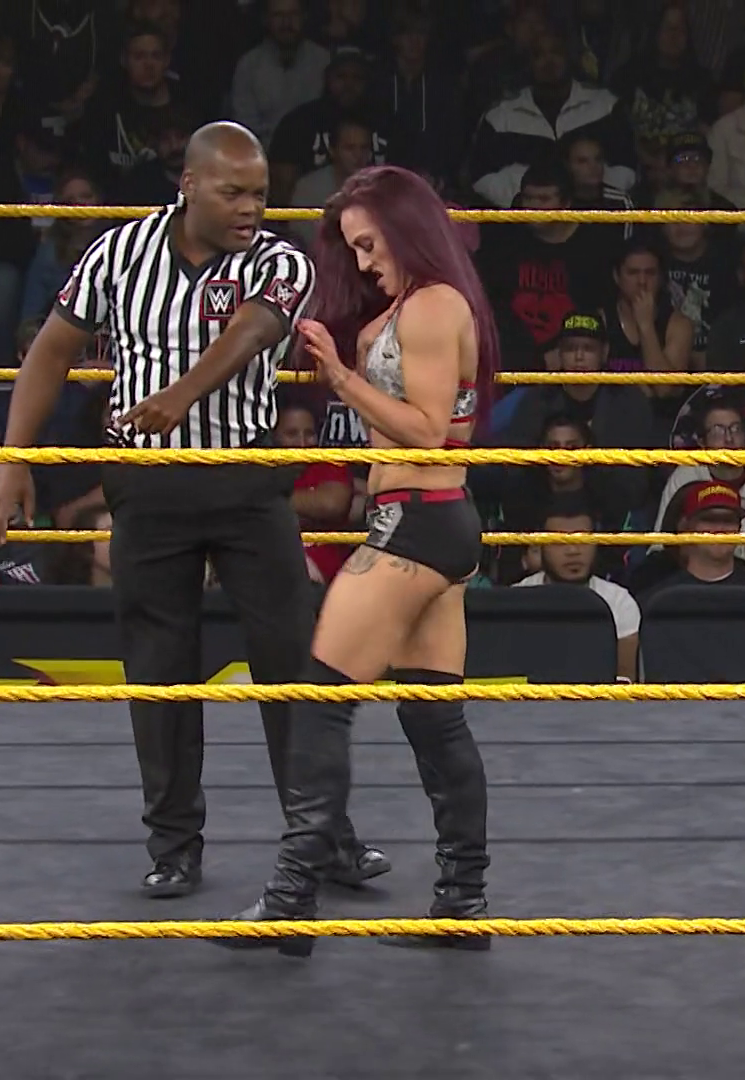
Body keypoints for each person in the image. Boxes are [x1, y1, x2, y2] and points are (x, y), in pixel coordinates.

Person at [0, 122, 388, 901]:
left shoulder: (279, 259)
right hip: (147, 486)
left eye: (259, 194)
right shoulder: (116, 254)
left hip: (245, 480)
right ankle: (173, 845)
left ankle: (324, 836)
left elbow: (254, 329)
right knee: (160, 667)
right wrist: (12, 457)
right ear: (190, 185)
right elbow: (51, 350)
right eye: (233, 193)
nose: (250, 208)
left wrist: (180, 395)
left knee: (293, 656)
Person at [214, 165, 497, 957]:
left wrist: (341, 375)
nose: (365, 262)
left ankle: (291, 898)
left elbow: (429, 430)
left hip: (416, 522)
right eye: (355, 248)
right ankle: (462, 904)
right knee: (433, 714)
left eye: (370, 245)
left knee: (321, 698)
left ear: (406, 230)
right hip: (435, 520)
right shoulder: (415, 308)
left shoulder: (434, 305)